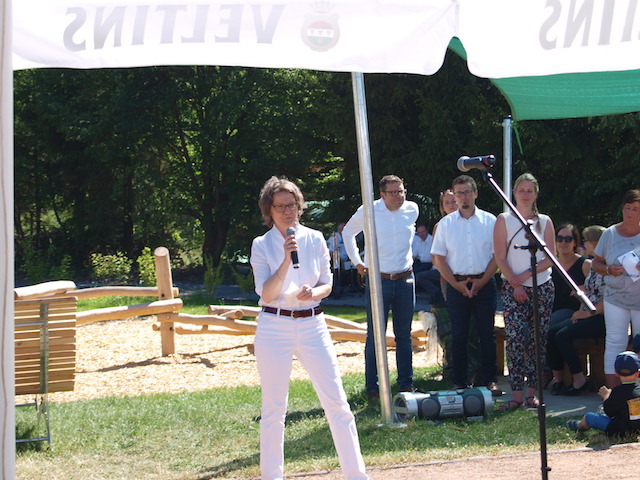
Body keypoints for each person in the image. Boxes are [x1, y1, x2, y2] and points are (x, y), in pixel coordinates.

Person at [250, 176, 369, 480]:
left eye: (292, 205)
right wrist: (286, 259)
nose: (287, 211)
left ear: (299, 206)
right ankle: (271, 476)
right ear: (269, 210)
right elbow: (266, 293)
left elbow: (327, 283)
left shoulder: (315, 238)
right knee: (274, 408)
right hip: (274, 325)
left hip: (313, 324)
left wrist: (314, 292)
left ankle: (356, 475)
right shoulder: (261, 244)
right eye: (280, 207)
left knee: (337, 401)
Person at [342, 174, 419, 399]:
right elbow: (348, 233)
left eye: (401, 191)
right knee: (375, 335)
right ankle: (373, 387)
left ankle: (406, 383)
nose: (398, 196)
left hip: (405, 279)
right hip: (378, 280)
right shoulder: (369, 210)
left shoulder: (412, 209)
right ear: (382, 195)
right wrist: (357, 262)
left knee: (404, 334)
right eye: (393, 192)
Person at [431, 175, 501, 396]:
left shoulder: (490, 221)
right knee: (459, 335)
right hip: (456, 284)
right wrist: (456, 285)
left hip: (484, 282)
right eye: (459, 193)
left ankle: (490, 380)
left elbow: (498, 256)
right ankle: (460, 382)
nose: (463, 197)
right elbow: (439, 258)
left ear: (475, 193)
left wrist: (482, 281)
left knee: (486, 333)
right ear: (455, 195)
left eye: (467, 192)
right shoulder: (446, 224)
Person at [493, 173, 556, 409]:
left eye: (530, 190)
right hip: (513, 289)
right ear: (514, 193)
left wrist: (527, 275)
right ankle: (516, 393)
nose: (526, 195)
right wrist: (516, 283)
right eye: (522, 190)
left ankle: (532, 393)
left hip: (542, 287)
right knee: (516, 340)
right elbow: (500, 256)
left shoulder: (545, 221)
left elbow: (550, 257)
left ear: (536, 194)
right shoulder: (504, 220)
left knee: (537, 341)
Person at [546, 225, 606, 396]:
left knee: (562, 336)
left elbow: (609, 299)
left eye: (586, 241)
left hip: (601, 318)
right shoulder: (594, 264)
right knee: (552, 332)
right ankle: (558, 378)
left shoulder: (606, 267)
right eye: (559, 239)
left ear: (595, 243)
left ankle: (579, 379)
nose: (583, 245)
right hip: (588, 314)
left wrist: (586, 314)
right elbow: (592, 293)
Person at [592, 189, 640, 388]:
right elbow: (596, 263)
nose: (630, 213)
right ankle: (612, 395)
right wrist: (609, 270)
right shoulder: (610, 234)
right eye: (627, 208)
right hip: (615, 297)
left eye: (635, 209)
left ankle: (637, 395)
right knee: (614, 342)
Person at [566, 351, 640, 437]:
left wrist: (606, 396)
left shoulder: (617, 392)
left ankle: (578, 425)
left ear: (616, 373)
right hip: (638, 428)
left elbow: (609, 412)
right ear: (638, 373)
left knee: (589, 417)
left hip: (619, 430)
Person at [550, 223, 590, 327]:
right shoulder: (550, 266)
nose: (563, 242)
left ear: (575, 242)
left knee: (546, 326)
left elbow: (599, 288)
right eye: (559, 239)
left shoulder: (585, 265)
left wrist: (586, 288)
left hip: (574, 312)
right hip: (551, 310)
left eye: (568, 239)